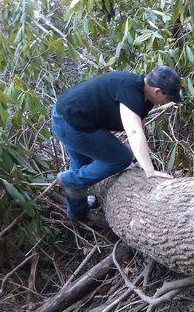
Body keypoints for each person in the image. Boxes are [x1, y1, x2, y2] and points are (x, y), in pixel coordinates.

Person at [51, 65, 182, 220]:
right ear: (158, 91)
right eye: (168, 98)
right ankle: (71, 180)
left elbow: (140, 125)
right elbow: (133, 132)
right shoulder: (131, 91)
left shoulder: (145, 94)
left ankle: (76, 213)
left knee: (81, 165)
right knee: (121, 157)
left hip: (70, 115)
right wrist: (150, 171)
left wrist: (143, 160)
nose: (167, 101)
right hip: (69, 123)